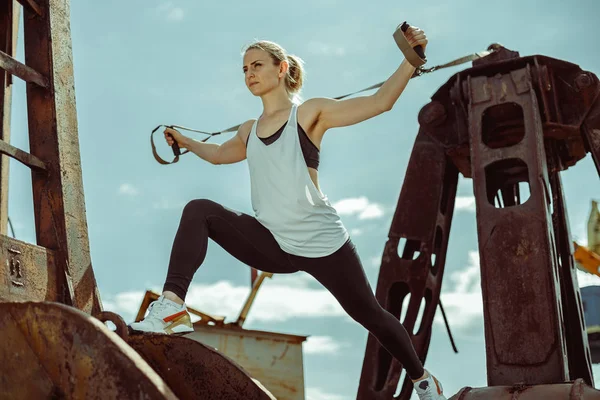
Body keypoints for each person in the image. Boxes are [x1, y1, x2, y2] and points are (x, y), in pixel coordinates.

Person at [130, 24, 446, 400]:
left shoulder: (310, 114)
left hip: (323, 243)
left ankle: (422, 380)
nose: (249, 74)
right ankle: (172, 308)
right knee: (199, 210)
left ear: (281, 69)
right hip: (275, 243)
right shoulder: (249, 131)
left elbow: (380, 103)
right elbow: (217, 155)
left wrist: (411, 60)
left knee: (370, 315)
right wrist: (185, 141)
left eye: (257, 65)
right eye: (245, 69)